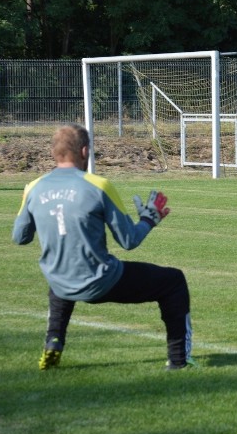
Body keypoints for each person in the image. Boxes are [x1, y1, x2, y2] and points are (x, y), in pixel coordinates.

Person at [12, 124, 194, 370]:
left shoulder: (33, 187)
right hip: (100, 281)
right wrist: (149, 220)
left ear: (54, 153)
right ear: (85, 151)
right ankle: (178, 361)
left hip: (60, 281)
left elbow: (20, 237)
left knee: (62, 274)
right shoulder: (98, 185)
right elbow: (129, 241)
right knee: (173, 281)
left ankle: (54, 340)